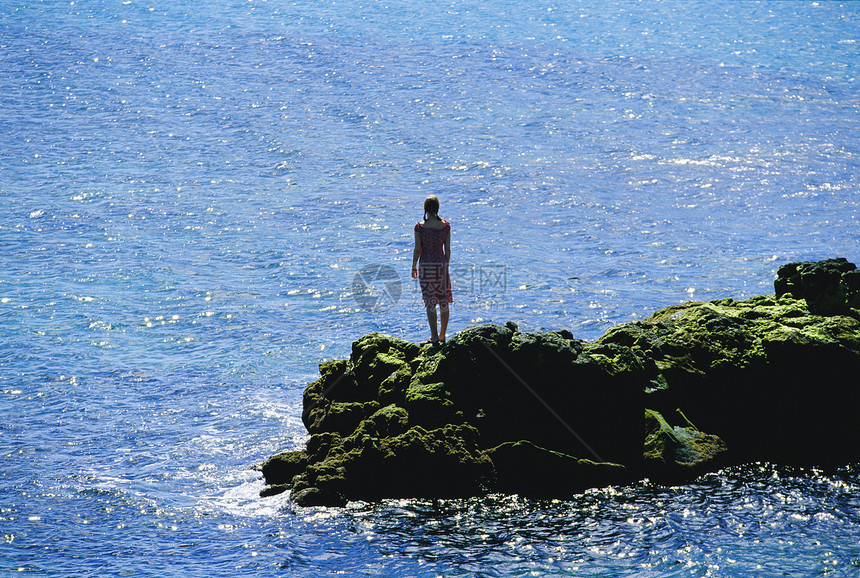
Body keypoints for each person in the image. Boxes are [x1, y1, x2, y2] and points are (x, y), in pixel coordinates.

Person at [412, 195, 453, 344]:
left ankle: (434, 336)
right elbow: (447, 250)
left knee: (430, 301)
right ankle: (442, 335)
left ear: (425, 208)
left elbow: (417, 249)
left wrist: (413, 266)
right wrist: (445, 264)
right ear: (437, 208)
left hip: (426, 265)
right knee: (443, 300)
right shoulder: (445, 227)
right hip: (441, 265)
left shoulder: (420, 227)